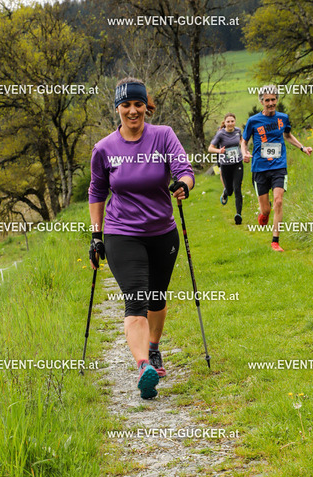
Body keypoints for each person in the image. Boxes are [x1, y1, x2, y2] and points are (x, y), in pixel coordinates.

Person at [88, 77, 194, 399]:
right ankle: (143, 365)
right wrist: (96, 235)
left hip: (162, 231)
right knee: (136, 300)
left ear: (146, 107)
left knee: (157, 297)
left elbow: (184, 169)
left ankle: (154, 347)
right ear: (117, 109)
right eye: (126, 105)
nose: (132, 111)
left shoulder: (163, 136)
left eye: (138, 105)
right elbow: (97, 191)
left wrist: (184, 184)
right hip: (122, 233)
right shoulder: (104, 148)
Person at [241, 85, 313, 251]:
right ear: (261, 102)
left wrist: (303, 147)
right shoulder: (253, 121)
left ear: (277, 100)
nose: (271, 103)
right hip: (259, 168)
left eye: (273, 99)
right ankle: (264, 213)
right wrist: (244, 153)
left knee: (279, 201)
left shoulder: (283, 118)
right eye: (267, 100)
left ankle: (275, 241)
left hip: (279, 166)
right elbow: (244, 141)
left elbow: (287, 135)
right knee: (266, 209)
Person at [208, 113, 244, 224]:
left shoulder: (238, 131)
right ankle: (225, 192)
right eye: (228, 121)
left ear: (235, 122)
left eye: (232, 121)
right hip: (225, 165)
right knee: (230, 191)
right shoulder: (220, 134)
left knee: (237, 189)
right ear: (225, 122)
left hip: (237, 163)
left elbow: (242, 141)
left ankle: (238, 215)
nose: (230, 123)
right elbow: (210, 148)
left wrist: (244, 151)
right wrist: (219, 151)